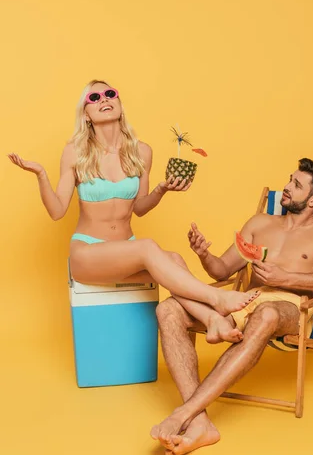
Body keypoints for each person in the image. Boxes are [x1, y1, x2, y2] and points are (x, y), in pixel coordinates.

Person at [151, 158, 313, 455]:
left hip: (292, 307)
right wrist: (203, 254)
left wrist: (287, 277)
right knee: (167, 309)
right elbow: (221, 271)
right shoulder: (260, 222)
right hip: (243, 304)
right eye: (289, 180)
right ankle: (202, 422)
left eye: (296, 185)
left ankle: (184, 413)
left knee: (268, 312)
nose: (286, 187)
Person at [7, 79, 258, 315]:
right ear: (86, 114)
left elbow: (139, 208)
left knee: (175, 260)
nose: (104, 99)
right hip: (88, 253)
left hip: (127, 252)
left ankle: (213, 320)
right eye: (94, 97)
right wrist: (40, 174)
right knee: (148, 247)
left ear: (119, 104)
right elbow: (57, 211)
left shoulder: (141, 152)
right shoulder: (75, 152)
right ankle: (217, 299)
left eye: (110, 94)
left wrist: (161, 189)